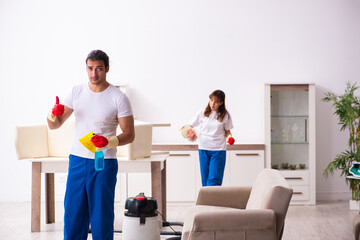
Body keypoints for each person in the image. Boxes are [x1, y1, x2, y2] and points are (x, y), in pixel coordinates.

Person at [47, 50, 135, 240]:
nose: (94, 73)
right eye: (90, 68)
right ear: (86, 68)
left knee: (101, 217)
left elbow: (129, 134)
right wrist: (52, 114)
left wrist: (109, 141)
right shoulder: (76, 92)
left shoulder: (118, 97)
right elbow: (55, 125)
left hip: (103, 162)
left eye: (99, 69)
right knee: (73, 215)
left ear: (107, 69)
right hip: (77, 160)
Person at [186, 90, 234, 187]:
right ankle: (206, 202)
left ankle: (213, 202)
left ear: (221, 103)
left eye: (216, 101)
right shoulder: (203, 112)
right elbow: (189, 126)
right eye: (211, 100)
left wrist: (230, 138)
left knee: (214, 181)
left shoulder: (225, 115)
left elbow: (228, 132)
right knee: (205, 180)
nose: (212, 103)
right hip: (203, 148)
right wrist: (188, 132)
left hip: (218, 150)